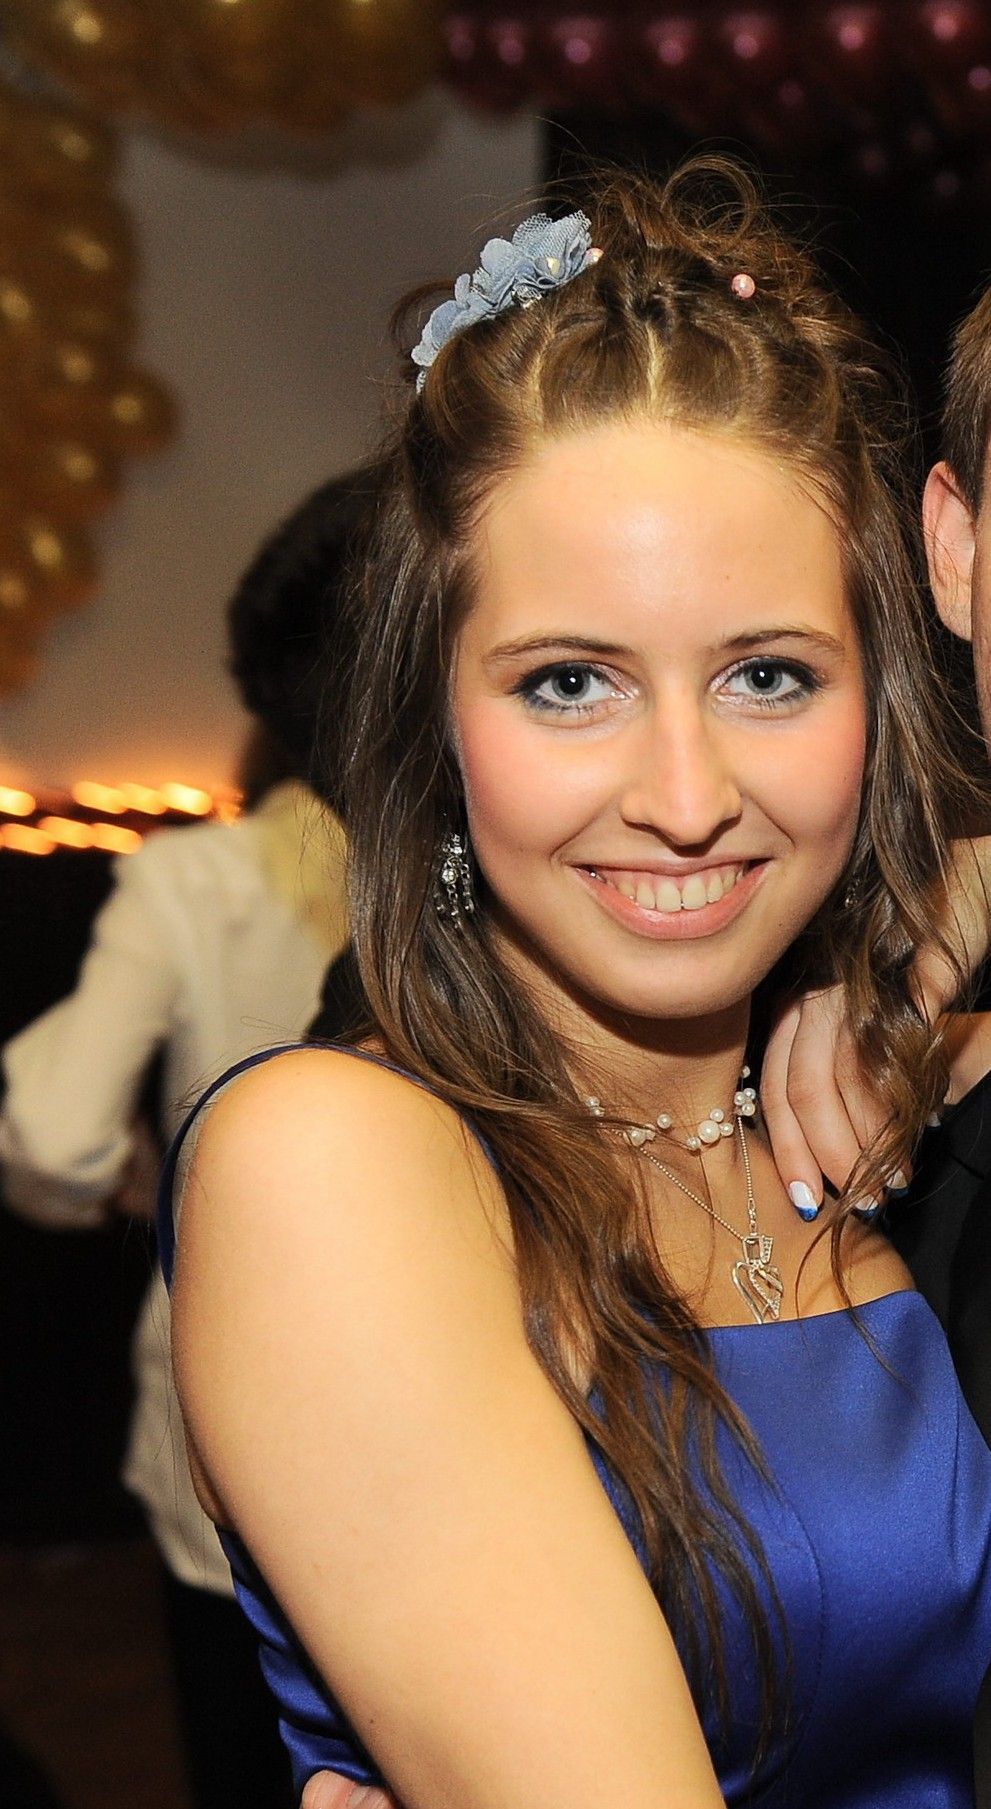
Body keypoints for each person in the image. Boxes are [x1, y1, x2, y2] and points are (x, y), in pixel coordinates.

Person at [164, 162, 991, 1808]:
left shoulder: (901, 1112)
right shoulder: (337, 1166)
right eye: (568, 684)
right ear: (436, 713)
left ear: (878, 697)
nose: (684, 794)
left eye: (769, 675)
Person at [0, 467, 375, 1809]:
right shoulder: (501, 861)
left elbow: (50, 1132)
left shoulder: (192, 875)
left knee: (244, 1752)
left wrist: (129, 1184)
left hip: (229, 1398)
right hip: (443, 1411)